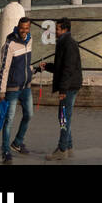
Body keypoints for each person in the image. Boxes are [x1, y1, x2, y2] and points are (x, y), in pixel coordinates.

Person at [35, 19, 83, 160]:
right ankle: (68, 147)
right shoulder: (64, 42)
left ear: (64, 29)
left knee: (63, 117)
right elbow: (61, 66)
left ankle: (62, 148)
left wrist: (62, 90)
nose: (55, 31)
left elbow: (68, 69)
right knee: (65, 117)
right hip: (70, 85)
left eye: (57, 29)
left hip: (68, 87)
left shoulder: (68, 44)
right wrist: (47, 66)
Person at [0, 16, 35, 162]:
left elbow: (27, 63)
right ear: (18, 27)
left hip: (26, 86)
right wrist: (1, 91)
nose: (24, 31)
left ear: (29, 28)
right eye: (22, 28)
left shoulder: (30, 40)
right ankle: (5, 151)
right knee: (9, 120)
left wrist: (32, 71)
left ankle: (17, 142)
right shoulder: (10, 44)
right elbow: (4, 69)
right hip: (12, 87)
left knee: (29, 114)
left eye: (27, 28)